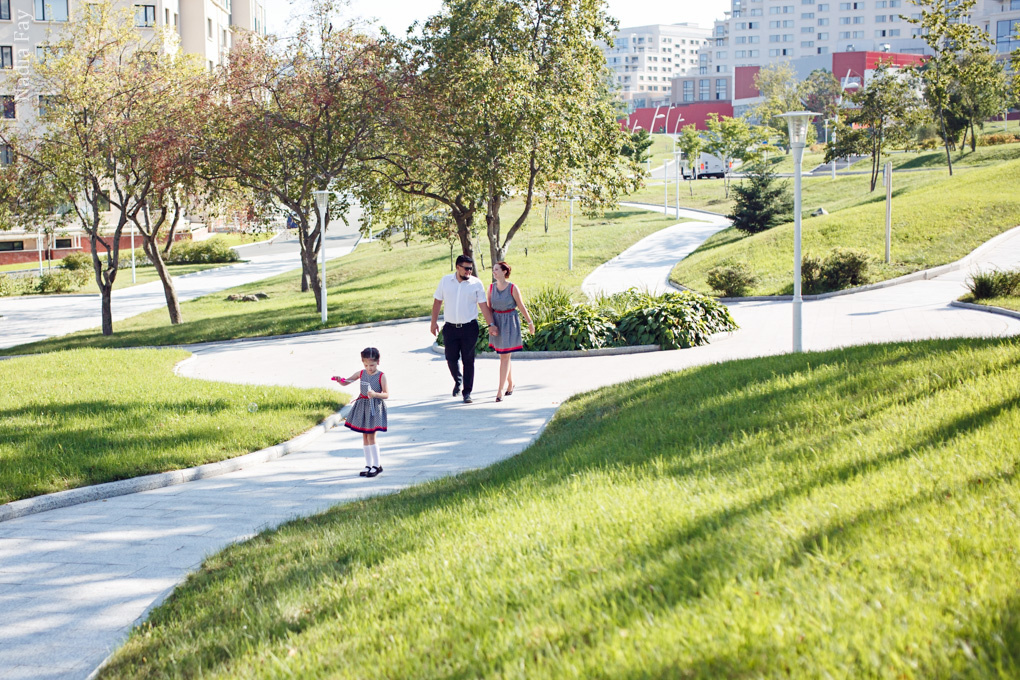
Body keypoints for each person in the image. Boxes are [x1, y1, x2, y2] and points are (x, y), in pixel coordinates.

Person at [431, 254, 497, 404]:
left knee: (468, 360)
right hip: (450, 328)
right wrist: (433, 322)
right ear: (457, 267)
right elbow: (437, 302)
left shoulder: (476, 284)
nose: (469, 271)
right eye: (466, 268)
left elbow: (483, 306)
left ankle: (467, 392)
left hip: (469, 328)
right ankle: (458, 380)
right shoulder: (445, 281)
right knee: (450, 358)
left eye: (471, 269)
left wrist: (491, 324)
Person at [333, 347, 389, 478]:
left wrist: (375, 394)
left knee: (371, 436)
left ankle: (377, 465)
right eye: (366, 365)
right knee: (365, 436)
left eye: (372, 365)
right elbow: (346, 382)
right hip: (363, 407)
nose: (369, 368)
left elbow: (386, 394)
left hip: (374, 408)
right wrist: (340, 380)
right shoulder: (361, 373)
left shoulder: (381, 376)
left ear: (378, 362)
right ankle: (368, 465)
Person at [487, 261, 536, 402]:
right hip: (497, 323)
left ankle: (500, 390)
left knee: (505, 357)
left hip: (509, 323)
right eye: (493, 269)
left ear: (504, 271)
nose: (494, 272)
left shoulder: (513, 288)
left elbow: (521, 306)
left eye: (497, 269)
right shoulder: (491, 288)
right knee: (504, 356)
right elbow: (489, 308)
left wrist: (530, 323)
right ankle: (510, 383)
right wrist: (491, 325)